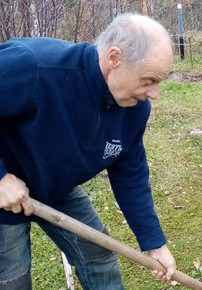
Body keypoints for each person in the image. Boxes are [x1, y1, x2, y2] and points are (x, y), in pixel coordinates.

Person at [0, 13, 176, 289]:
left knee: (98, 257)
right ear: (114, 58)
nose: (154, 93)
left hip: (54, 187)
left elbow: (130, 174)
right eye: (148, 80)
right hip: (4, 189)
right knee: (12, 279)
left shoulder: (134, 109)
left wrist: (154, 243)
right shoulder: (35, 66)